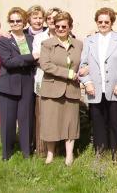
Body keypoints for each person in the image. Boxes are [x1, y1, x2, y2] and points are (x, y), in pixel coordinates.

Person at [79, 8, 117, 160]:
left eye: (106, 22)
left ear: (112, 22)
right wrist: (87, 83)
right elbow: (83, 65)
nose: (103, 24)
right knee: (98, 123)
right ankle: (100, 152)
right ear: (96, 22)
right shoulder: (89, 40)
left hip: (116, 89)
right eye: (100, 21)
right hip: (95, 90)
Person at [39, 12, 83, 166]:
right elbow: (45, 65)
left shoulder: (79, 44)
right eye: (57, 26)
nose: (60, 29)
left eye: (64, 26)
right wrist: (68, 73)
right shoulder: (47, 44)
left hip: (71, 90)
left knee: (71, 123)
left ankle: (69, 156)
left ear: (70, 27)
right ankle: (50, 155)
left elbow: (83, 63)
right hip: (51, 89)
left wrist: (84, 70)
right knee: (51, 123)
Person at [0, 7, 37, 160]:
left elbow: (47, 29)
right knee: (8, 122)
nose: (15, 23)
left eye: (18, 20)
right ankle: (7, 153)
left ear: (24, 22)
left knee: (26, 120)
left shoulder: (31, 39)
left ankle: (27, 152)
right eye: (12, 21)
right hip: (7, 85)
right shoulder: (4, 40)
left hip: (27, 84)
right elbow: (8, 62)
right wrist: (31, 57)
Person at [31, 7, 62, 157]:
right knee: (42, 116)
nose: (51, 21)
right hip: (42, 80)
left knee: (59, 115)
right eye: (49, 18)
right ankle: (42, 150)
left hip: (61, 81)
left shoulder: (65, 35)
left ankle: (58, 149)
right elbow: (37, 58)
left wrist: (49, 60)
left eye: (55, 18)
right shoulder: (39, 38)